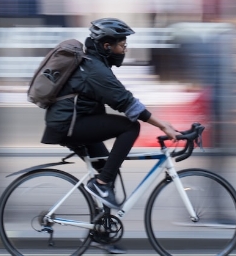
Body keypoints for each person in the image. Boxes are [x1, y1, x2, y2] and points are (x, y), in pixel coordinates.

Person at [41, 18, 180, 211]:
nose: (125, 49)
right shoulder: (94, 70)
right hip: (68, 125)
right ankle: (101, 185)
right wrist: (162, 125)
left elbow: (119, 99)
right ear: (107, 46)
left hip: (73, 122)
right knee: (130, 126)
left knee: (108, 169)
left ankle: (102, 234)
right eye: (122, 45)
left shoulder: (94, 64)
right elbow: (126, 102)